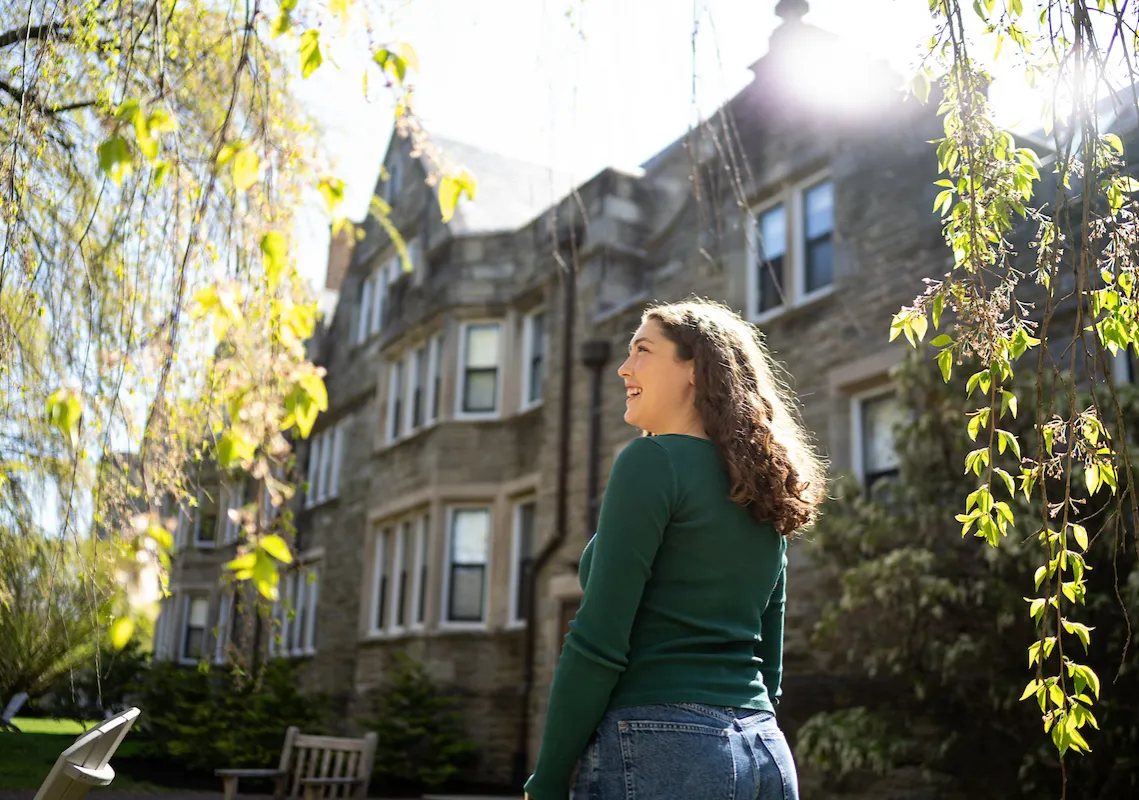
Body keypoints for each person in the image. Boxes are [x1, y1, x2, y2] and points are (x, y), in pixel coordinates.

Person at [522, 299, 827, 800]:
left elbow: (597, 642)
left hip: (664, 745)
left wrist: (549, 778)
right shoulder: (761, 481)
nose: (624, 367)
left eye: (642, 350)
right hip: (765, 750)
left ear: (694, 368)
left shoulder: (650, 461)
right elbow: (768, 657)